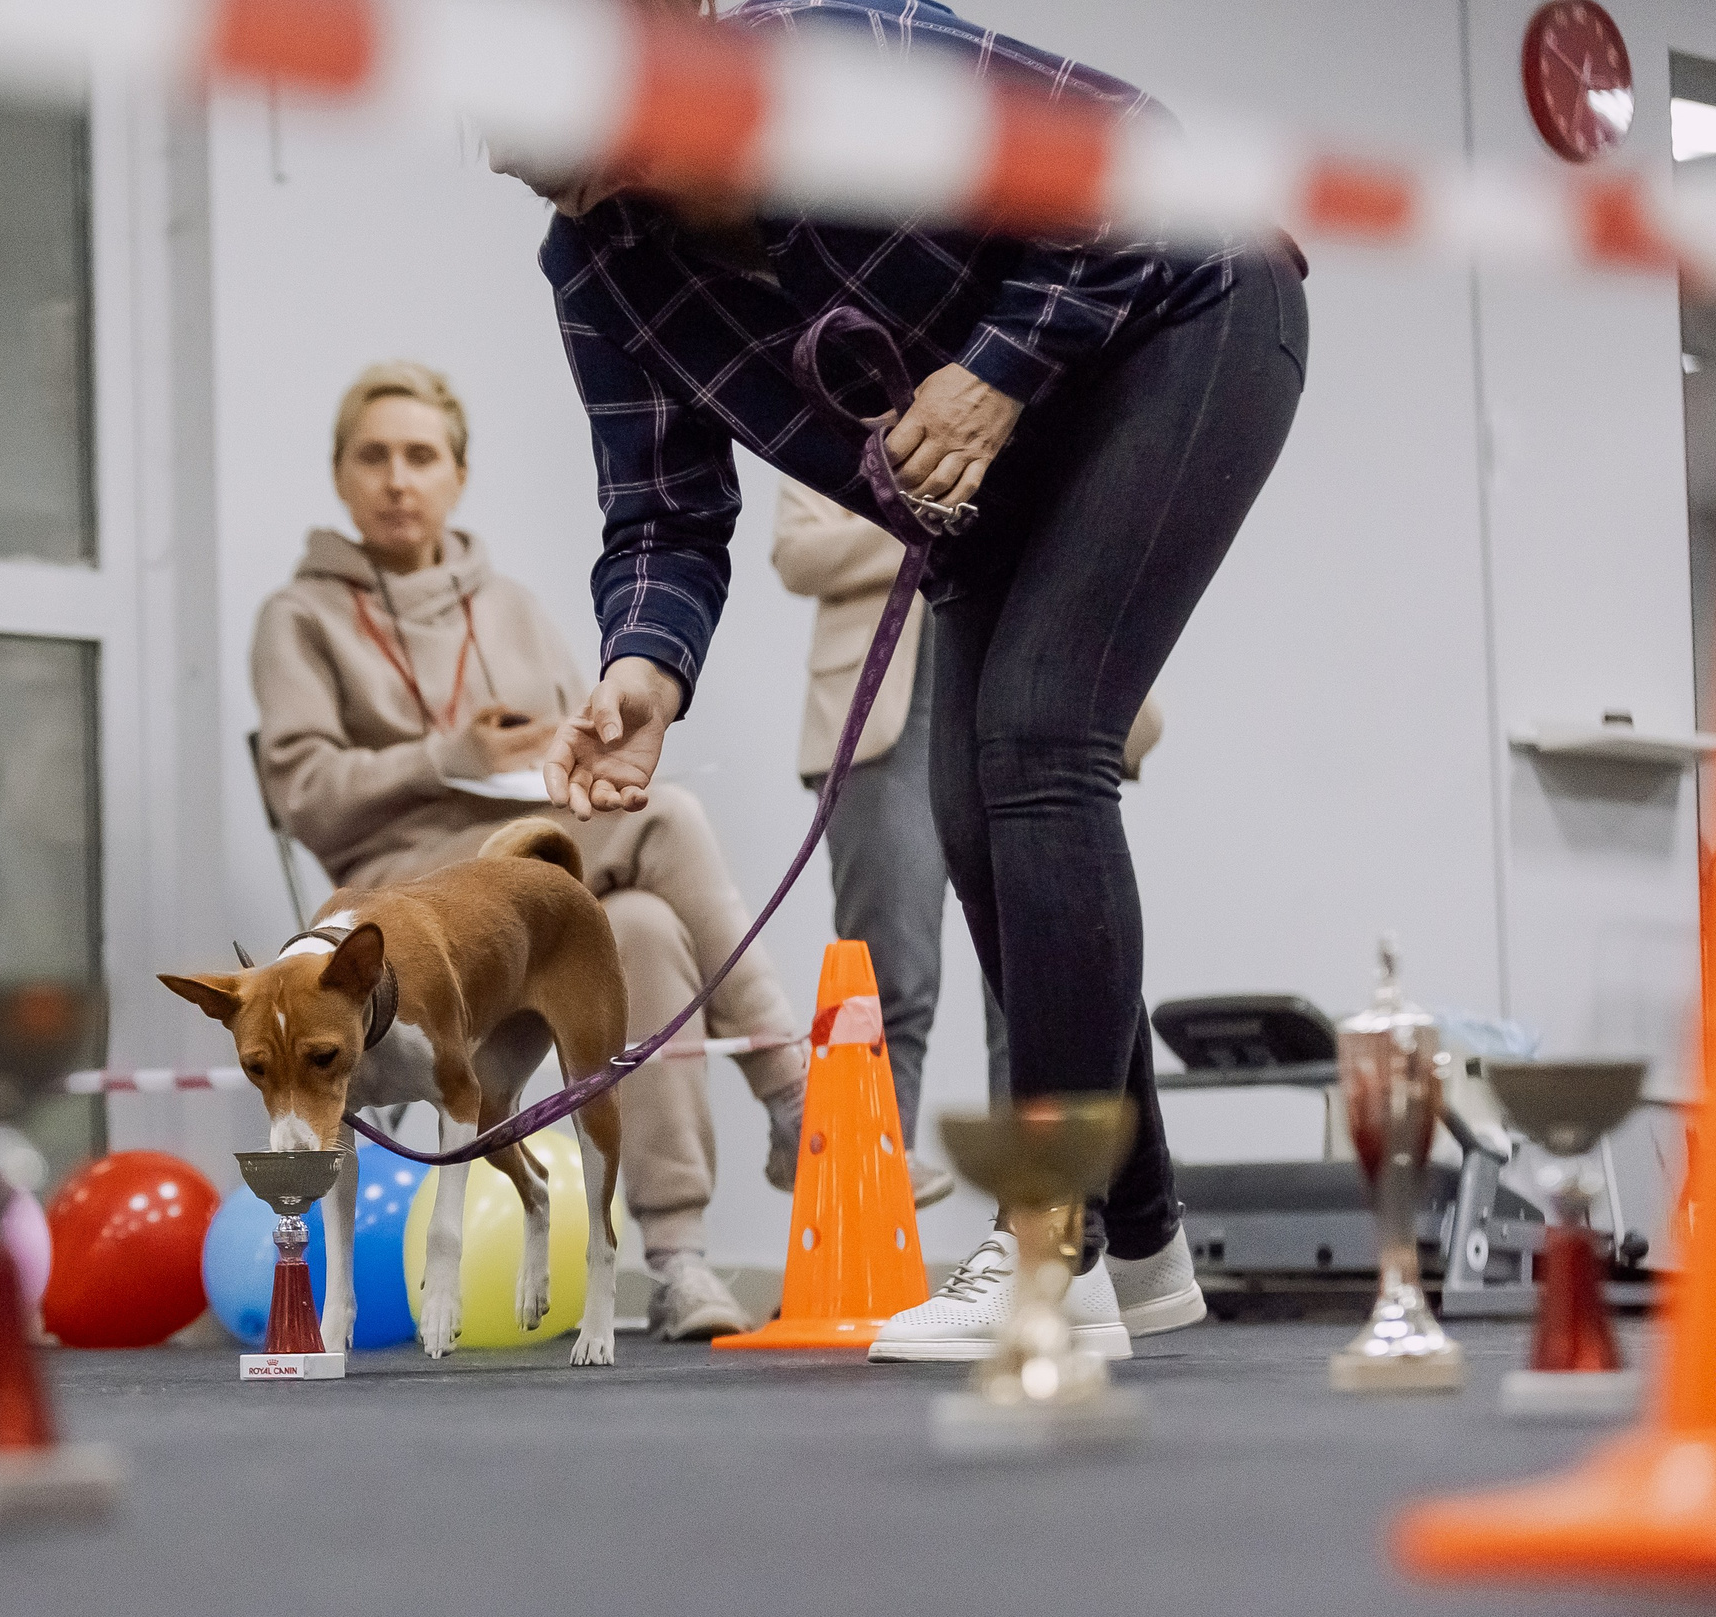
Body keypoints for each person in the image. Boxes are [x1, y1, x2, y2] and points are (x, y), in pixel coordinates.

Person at [527, 0, 1305, 1359]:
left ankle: (1046, 1238)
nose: (523, 154)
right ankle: (1149, 1246)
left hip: (1190, 309)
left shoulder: (839, 58)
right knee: (969, 808)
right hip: (995, 484)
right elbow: (662, 512)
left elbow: (1133, 152)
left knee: (1039, 743)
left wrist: (996, 372)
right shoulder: (595, 266)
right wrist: (644, 664)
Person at [251, 360, 812, 1340]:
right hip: (398, 904)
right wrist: (444, 755)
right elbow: (304, 795)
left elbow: (572, 752)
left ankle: (675, 1255)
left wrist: (547, 756)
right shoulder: (298, 616)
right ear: (339, 475)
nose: (397, 478)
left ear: (457, 476)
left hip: (513, 869)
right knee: (667, 818)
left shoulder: (508, 604)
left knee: (635, 923)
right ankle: (794, 1092)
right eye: (373, 455)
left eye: (420, 455)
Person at [770, 478, 1166, 1203]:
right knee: (888, 975)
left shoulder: (1018, 388)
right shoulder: (839, 401)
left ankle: (1037, 1235)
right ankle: (860, 1219)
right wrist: (934, 518)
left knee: (1030, 978)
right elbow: (798, 554)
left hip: (1019, 685)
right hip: (880, 724)